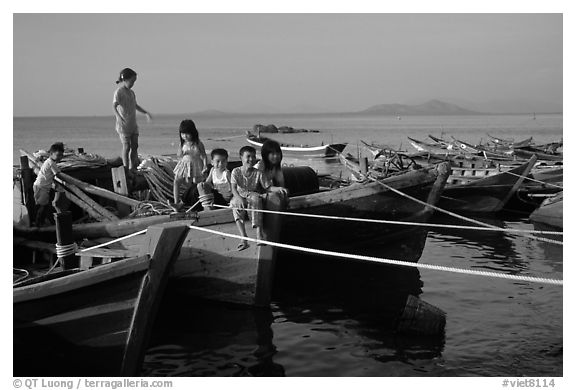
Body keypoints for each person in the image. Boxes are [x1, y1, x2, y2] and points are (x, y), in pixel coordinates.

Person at [112, 67, 152, 174]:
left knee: (135, 145)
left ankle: (132, 167)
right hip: (123, 125)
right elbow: (114, 106)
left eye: (134, 82)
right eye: (132, 81)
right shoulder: (119, 92)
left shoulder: (131, 93)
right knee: (127, 146)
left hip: (133, 124)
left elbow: (135, 106)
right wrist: (119, 117)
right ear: (125, 79)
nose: (133, 83)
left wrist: (146, 113)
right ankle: (126, 168)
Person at [230, 146, 264, 251]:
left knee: (256, 198)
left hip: (252, 195)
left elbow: (266, 186)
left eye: (253, 156)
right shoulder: (235, 171)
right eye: (248, 156)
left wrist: (277, 189)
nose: (251, 159)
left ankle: (259, 234)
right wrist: (238, 198)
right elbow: (233, 188)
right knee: (235, 203)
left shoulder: (258, 173)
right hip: (239, 195)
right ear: (241, 157)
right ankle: (243, 238)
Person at [173, 119, 208, 209]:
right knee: (177, 181)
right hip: (184, 164)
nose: (185, 136)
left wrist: (205, 165)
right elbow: (179, 155)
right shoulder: (182, 143)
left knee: (193, 185)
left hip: (196, 164)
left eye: (187, 133)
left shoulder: (198, 143)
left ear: (193, 132)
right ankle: (176, 202)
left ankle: (192, 204)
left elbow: (203, 155)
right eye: (182, 133)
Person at [33, 142, 64, 226]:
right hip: (42, 187)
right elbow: (58, 174)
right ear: (51, 154)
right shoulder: (51, 163)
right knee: (42, 206)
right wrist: (68, 181)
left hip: (40, 186)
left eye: (61, 155)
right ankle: (38, 223)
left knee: (42, 205)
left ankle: (39, 222)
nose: (60, 157)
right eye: (58, 155)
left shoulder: (48, 161)